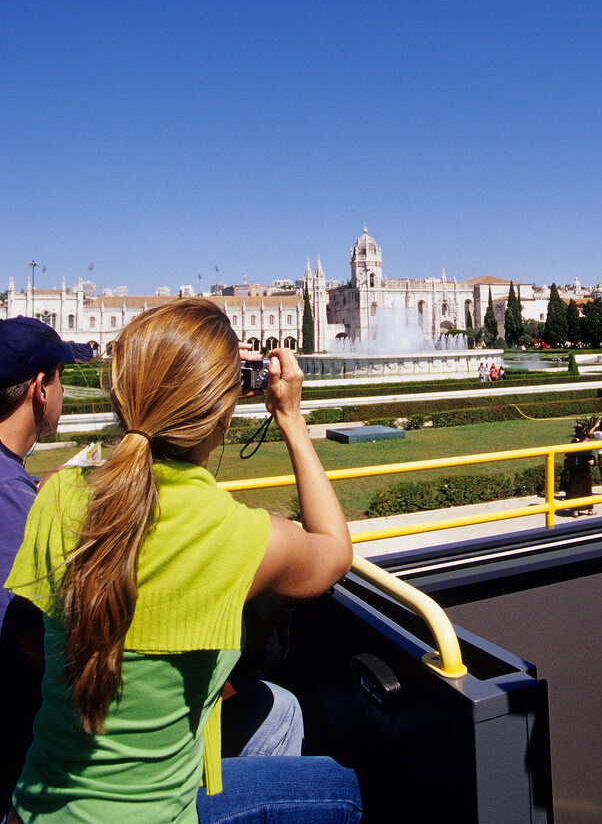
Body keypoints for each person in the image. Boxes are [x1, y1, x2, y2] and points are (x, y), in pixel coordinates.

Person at [5, 298, 361, 824]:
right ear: (223, 408)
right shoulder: (235, 534)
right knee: (342, 787)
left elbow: (33, 635)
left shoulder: (58, 495)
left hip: (30, 811)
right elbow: (335, 548)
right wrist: (289, 417)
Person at [0, 317, 94, 813]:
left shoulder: (15, 488)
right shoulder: (12, 501)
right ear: (40, 388)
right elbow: (40, 646)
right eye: (61, 378)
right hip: (28, 773)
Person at [562, 423, 597, 518]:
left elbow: (566, 457)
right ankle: (590, 509)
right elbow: (591, 461)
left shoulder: (572, 443)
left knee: (575, 490)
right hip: (585, 470)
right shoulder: (586, 445)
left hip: (574, 470)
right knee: (587, 490)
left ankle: (575, 511)